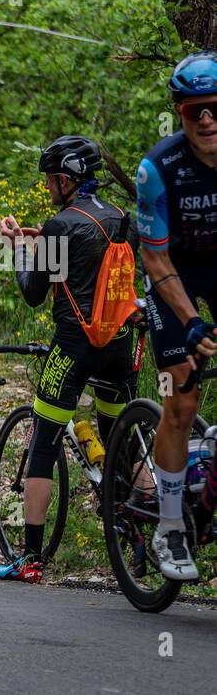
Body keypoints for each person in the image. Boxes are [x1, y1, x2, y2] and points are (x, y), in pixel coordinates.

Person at [0, 135, 140, 582]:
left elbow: (35, 293)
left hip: (75, 346)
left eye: (51, 179)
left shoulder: (60, 225)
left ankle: (32, 559)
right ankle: (137, 538)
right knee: (123, 441)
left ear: (66, 178)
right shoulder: (121, 218)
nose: (48, 187)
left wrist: (19, 248)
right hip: (122, 344)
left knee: (44, 440)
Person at [134, 51, 217, 581]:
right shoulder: (158, 169)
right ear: (180, 115)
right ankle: (169, 527)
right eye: (194, 112)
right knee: (181, 398)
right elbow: (155, 256)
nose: (207, 119)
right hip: (172, 277)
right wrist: (189, 319)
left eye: (215, 108)